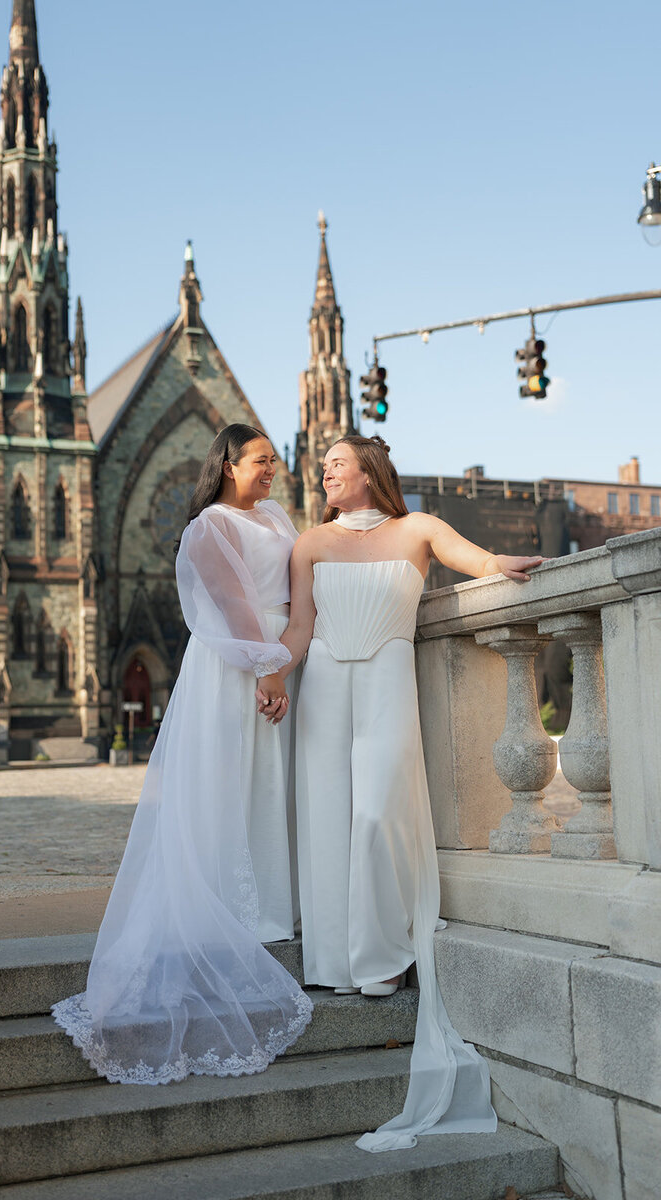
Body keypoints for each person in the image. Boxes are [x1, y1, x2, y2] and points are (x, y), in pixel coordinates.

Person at [258, 434, 542, 1151]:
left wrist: (503, 567)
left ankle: (379, 958)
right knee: (325, 817)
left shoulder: (416, 530)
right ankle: (331, 961)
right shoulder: (310, 541)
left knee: (378, 806)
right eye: (322, 465)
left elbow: (470, 559)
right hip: (322, 680)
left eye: (337, 464)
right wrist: (271, 672)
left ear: (370, 473)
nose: (324, 471)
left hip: (386, 672)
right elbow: (299, 625)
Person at [53, 424, 311, 1084]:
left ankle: (278, 904)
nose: (271, 471)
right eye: (260, 461)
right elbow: (234, 606)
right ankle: (237, 913)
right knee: (233, 783)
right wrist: (268, 669)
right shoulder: (209, 528)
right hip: (238, 666)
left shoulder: (279, 515)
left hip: (282, 659)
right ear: (227, 465)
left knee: (274, 784)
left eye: (274, 461)